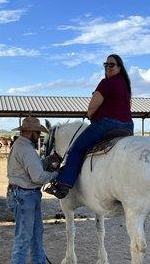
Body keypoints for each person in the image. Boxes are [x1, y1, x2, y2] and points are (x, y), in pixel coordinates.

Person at [45, 54, 134, 199]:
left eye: (112, 65)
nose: (108, 67)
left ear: (119, 67)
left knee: (77, 149)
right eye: (106, 65)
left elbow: (92, 106)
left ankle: (63, 185)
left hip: (106, 124)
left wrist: (92, 115)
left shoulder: (106, 83)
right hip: (128, 126)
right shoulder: (125, 85)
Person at [7, 117, 60, 264]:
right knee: (24, 235)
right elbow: (38, 177)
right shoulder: (27, 149)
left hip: (25, 195)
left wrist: (45, 162)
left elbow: (32, 167)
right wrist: (57, 174)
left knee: (36, 232)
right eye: (37, 133)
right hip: (25, 196)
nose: (39, 136)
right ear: (29, 132)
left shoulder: (22, 146)